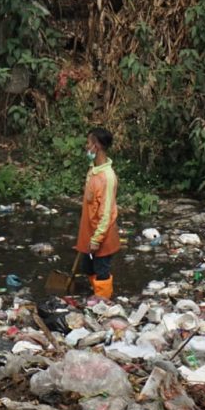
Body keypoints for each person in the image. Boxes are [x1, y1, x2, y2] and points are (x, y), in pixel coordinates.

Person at [76, 127, 120, 299]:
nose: (86, 147)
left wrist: (97, 238)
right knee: (87, 267)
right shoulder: (93, 170)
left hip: (102, 234)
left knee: (102, 270)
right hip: (90, 230)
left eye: (88, 143)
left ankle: (104, 302)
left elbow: (106, 211)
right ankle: (95, 295)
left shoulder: (107, 177)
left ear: (97, 146)